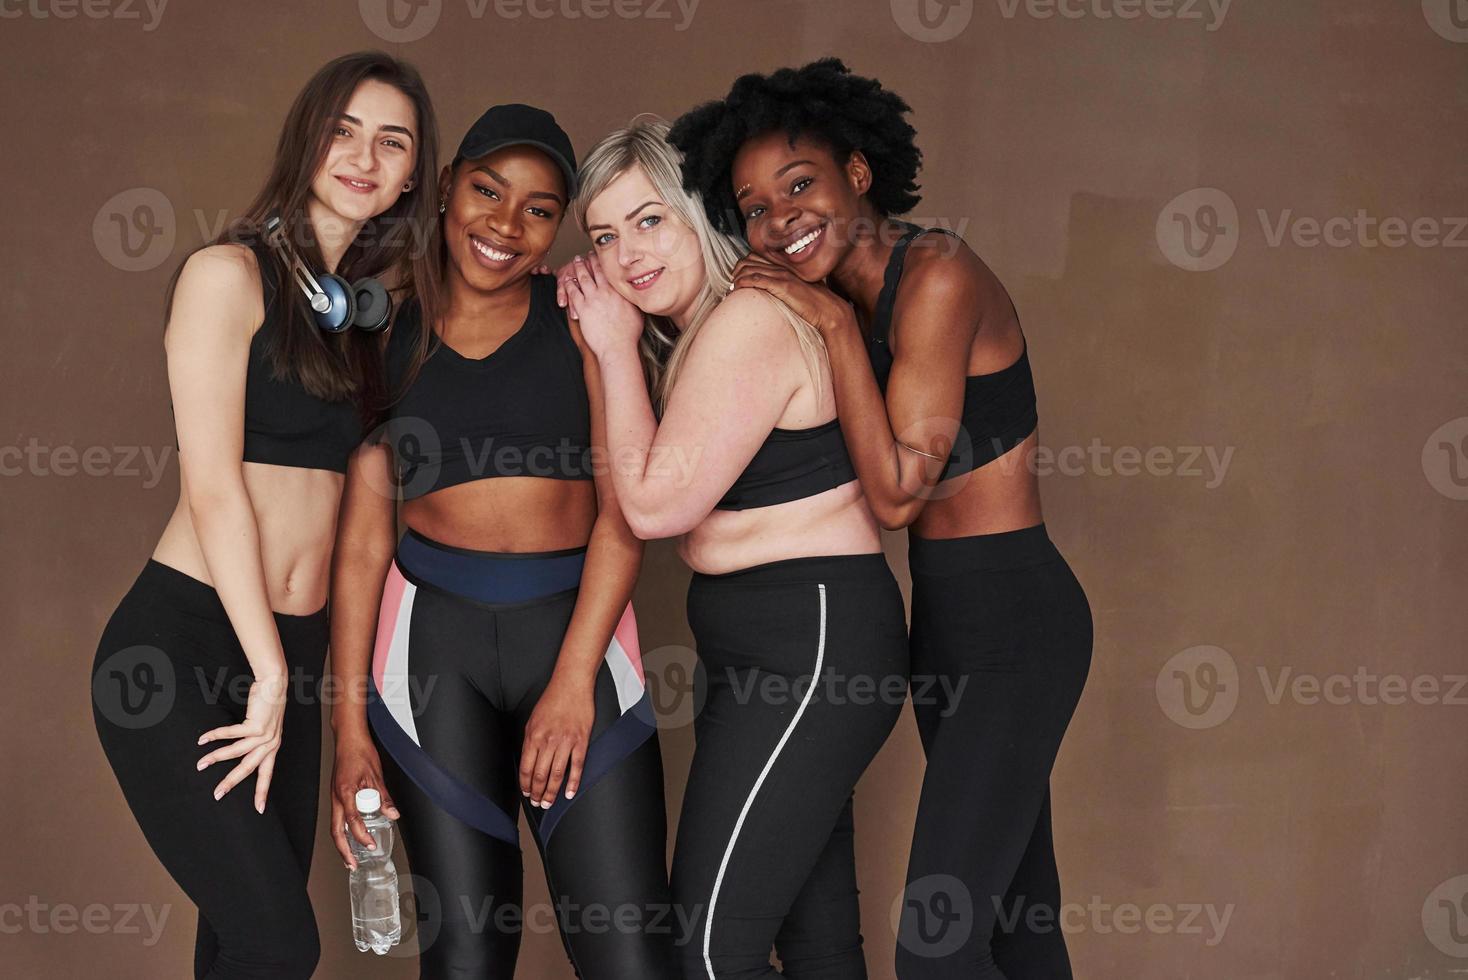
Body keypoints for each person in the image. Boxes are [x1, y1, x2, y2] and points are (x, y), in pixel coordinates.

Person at [669, 58, 1095, 979]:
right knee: (1019, 921)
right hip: (943, 624)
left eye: (800, 184)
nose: (781, 221)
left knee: (935, 949)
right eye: (754, 208)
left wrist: (823, 325)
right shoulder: (844, 304)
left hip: (1016, 621)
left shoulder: (934, 275)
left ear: (858, 172)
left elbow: (900, 490)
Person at [91, 51, 438, 979]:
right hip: (189, 650)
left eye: (392, 142)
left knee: (241, 944)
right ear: (307, 138)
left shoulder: (367, 325)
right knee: (281, 942)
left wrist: (308, 679)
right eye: (344, 130)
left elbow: (365, 518)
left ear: (413, 173)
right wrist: (269, 671)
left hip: (295, 653)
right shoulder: (226, 274)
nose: (364, 156)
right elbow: (212, 487)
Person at [327, 103, 680, 978]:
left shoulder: (583, 323)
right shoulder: (384, 335)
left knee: (632, 956)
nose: (505, 224)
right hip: (431, 658)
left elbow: (623, 513)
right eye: (488, 191)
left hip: (577, 637)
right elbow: (364, 546)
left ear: (560, 227)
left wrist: (571, 683)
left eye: (538, 208)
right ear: (446, 188)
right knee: (466, 957)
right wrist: (348, 732)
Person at [560, 114, 908, 979]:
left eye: (649, 220)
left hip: (809, 644)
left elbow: (648, 507)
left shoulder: (747, 321)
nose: (627, 253)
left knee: (711, 949)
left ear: (696, 211)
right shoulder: (697, 336)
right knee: (819, 943)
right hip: (773, 650)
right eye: (604, 236)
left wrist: (606, 352)